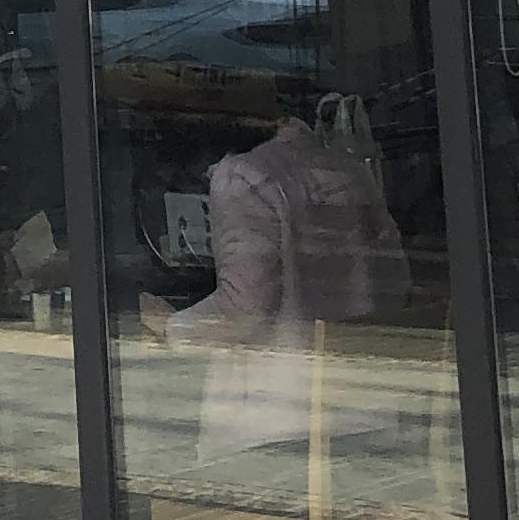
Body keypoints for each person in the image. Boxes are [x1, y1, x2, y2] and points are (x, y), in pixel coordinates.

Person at [143, 101, 409, 454]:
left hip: (280, 425)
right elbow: (396, 281)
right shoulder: (350, 171)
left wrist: (170, 327)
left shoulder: (243, 176)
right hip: (368, 411)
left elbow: (244, 310)